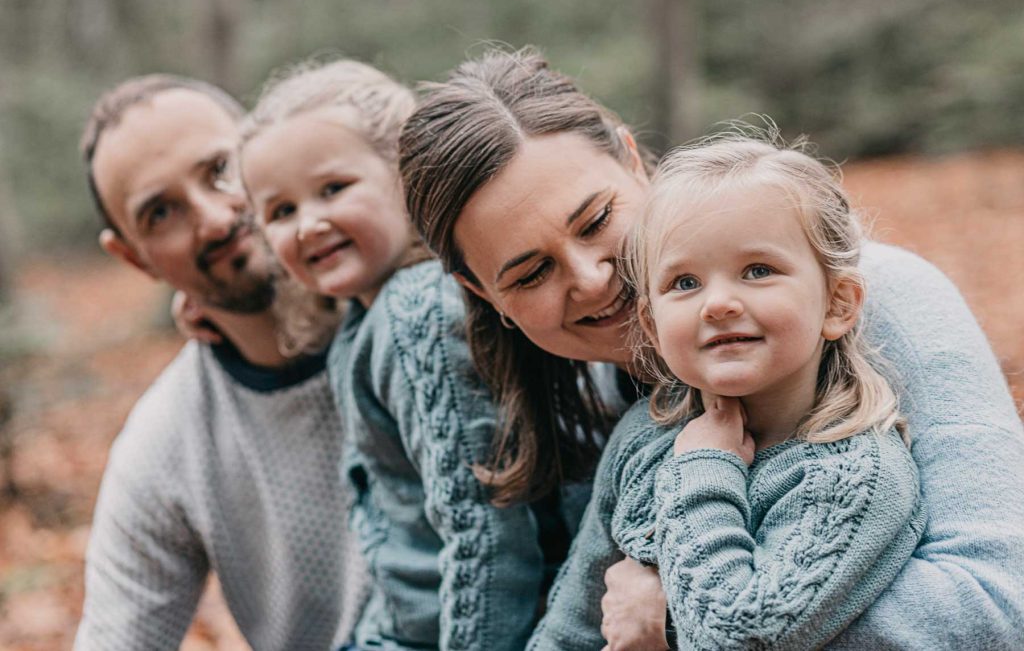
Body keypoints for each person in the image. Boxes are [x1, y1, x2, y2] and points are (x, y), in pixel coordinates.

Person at [399, 47, 1024, 649]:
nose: (592, 278)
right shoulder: (629, 422)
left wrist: (674, 614)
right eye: (531, 273)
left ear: (629, 158)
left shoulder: (884, 303)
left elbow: (999, 604)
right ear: (481, 291)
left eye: (594, 222)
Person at [541, 132, 927, 649]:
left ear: (837, 304)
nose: (717, 303)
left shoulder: (857, 475)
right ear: (653, 328)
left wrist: (703, 468)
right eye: (684, 283)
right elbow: (574, 622)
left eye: (758, 271)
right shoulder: (644, 437)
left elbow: (741, 635)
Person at [238, 59, 567, 651]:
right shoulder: (364, 321)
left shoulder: (416, 314)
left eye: (333, 189)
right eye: (280, 211)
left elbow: (485, 531)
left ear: (403, 176)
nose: (309, 224)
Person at [74, 75, 367, 651]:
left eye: (221, 170)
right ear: (133, 258)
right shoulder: (165, 446)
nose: (212, 219)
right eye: (161, 213)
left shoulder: (443, 296)